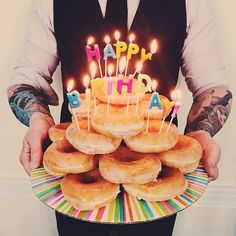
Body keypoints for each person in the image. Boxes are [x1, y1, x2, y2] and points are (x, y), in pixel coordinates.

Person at [7, 0, 232, 235]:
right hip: (80, 173)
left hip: (156, 177)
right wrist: (37, 119)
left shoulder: (191, 4)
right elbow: (26, 80)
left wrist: (201, 131)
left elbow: (212, 88)